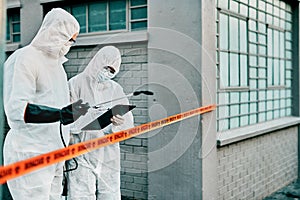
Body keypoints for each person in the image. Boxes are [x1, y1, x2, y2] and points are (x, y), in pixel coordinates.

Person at [3, 8, 90, 200]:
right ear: (55, 33)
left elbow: (57, 107)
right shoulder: (24, 58)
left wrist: (72, 113)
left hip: (55, 153)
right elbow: (17, 110)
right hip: (30, 152)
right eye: (69, 39)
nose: (70, 45)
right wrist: (60, 114)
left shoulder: (59, 67)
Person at [66, 46, 134, 200]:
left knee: (110, 192)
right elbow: (65, 119)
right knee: (80, 193)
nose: (108, 73)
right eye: (106, 68)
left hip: (108, 151)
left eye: (112, 71)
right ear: (97, 62)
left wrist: (118, 123)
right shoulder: (75, 84)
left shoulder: (115, 89)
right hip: (81, 149)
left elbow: (128, 123)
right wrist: (88, 117)